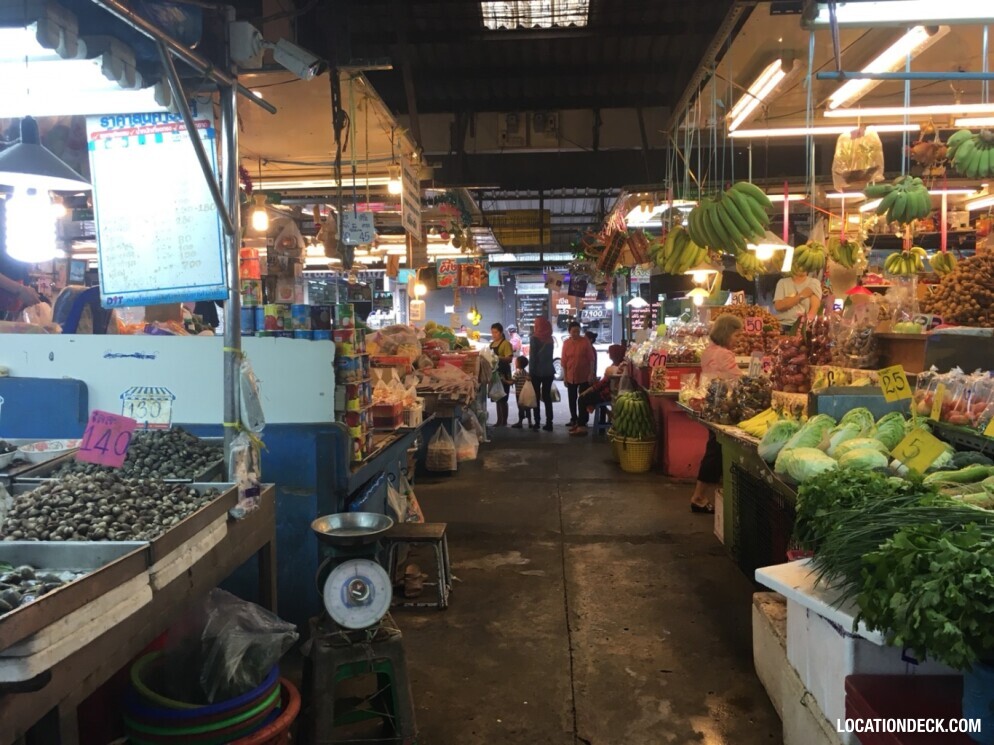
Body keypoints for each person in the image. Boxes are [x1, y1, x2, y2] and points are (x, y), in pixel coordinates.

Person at [691, 314, 744, 513]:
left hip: (710, 405)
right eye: (736, 335)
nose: (737, 339)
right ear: (726, 333)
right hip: (722, 408)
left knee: (714, 450)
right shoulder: (724, 354)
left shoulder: (708, 351)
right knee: (716, 452)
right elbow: (738, 379)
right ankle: (699, 497)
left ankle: (703, 495)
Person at [573, 344, 628, 434]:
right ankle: (591, 423)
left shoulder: (616, 368)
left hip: (608, 394)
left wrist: (588, 390)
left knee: (582, 398)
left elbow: (602, 384)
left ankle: (581, 426)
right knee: (588, 396)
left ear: (614, 354)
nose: (608, 354)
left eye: (610, 352)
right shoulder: (618, 365)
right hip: (609, 393)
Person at [562, 321, 597, 435]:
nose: (576, 333)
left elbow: (591, 359)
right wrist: (565, 376)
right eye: (573, 331)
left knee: (582, 398)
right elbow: (564, 361)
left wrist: (591, 373)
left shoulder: (585, 342)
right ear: (569, 332)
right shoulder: (566, 343)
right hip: (571, 375)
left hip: (584, 375)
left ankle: (583, 421)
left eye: (577, 331)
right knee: (572, 398)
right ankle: (574, 419)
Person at [529, 317, 556, 431]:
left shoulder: (534, 338)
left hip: (537, 372)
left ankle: (537, 422)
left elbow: (533, 357)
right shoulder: (550, 339)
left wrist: (530, 372)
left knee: (536, 397)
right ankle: (549, 422)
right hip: (549, 371)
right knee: (547, 397)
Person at [490, 322, 514, 427]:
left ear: (500, 332)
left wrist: (498, 357)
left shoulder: (506, 344)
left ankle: (504, 421)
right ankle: (499, 420)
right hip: (495, 374)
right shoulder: (491, 344)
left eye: (495, 332)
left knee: (503, 398)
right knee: (497, 397)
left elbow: (509, 359)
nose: (493, 334)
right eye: (492, 332)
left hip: (504, 374)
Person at [510, 355, 535, 429]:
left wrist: (504, 380)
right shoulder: (526, 373)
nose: (515, 363)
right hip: (526, 394)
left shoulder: (517, 373)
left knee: (520, 408)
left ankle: (520, 422)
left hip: (519, 394)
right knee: (527, 408)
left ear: (519, 364)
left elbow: (512, 382)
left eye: (516, 362)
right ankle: (530, 422)